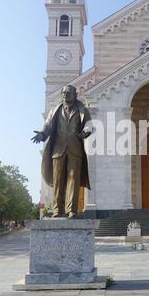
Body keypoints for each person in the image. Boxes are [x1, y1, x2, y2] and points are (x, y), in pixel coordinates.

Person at [31, 85, 93, 218]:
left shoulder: (82, 109)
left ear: (75, 95)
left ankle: (72, 210)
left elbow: (88, 123)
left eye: (69, 93)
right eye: (64, 93)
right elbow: (48, 124)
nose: (65, 95)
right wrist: (42, 134)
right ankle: (57, 209)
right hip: (57, 151)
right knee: (58, 180)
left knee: (73, 180)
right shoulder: (55, 110)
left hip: (75, 150)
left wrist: (86, 131)